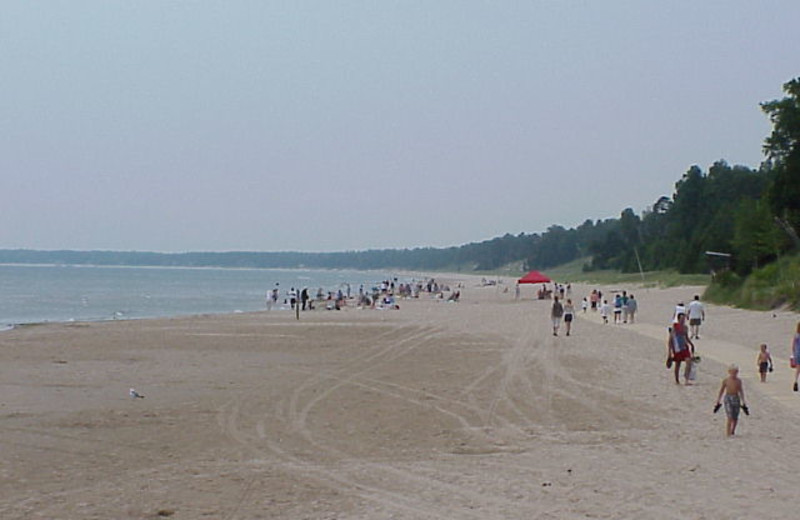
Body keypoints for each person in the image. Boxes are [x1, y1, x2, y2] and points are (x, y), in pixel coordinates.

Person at [714, 364, 749, 437]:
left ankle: (733, 430)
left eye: (735, 372)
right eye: (732, 372)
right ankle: (728, 432)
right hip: (728, 398)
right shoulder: (726, 380)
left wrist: (743, 401)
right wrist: (718, 400)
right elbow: (722, 390)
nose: (734, 374)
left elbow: (741, 391)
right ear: (729, 372)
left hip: (736, 398)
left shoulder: (739, 381)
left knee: (735, 416)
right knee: (729, 416)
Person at [670, 313, 695, 385]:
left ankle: (686, 379)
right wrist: (670, 351)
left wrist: (691, 344)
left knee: (689, 362)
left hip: (684, 347)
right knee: (678, 364)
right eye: (681, 319)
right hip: (677, 348)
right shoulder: (674, 327)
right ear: (678, 319)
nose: (683, 320)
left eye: (684, 319)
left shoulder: (685, 327)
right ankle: (677, 380)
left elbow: (686, 337)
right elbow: (671, 339)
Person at [793, 322, 800, 392]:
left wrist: (794, 354)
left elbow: (793, 346)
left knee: (798, 369)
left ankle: (796, 380)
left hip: (797, 353)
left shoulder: (796, 335)